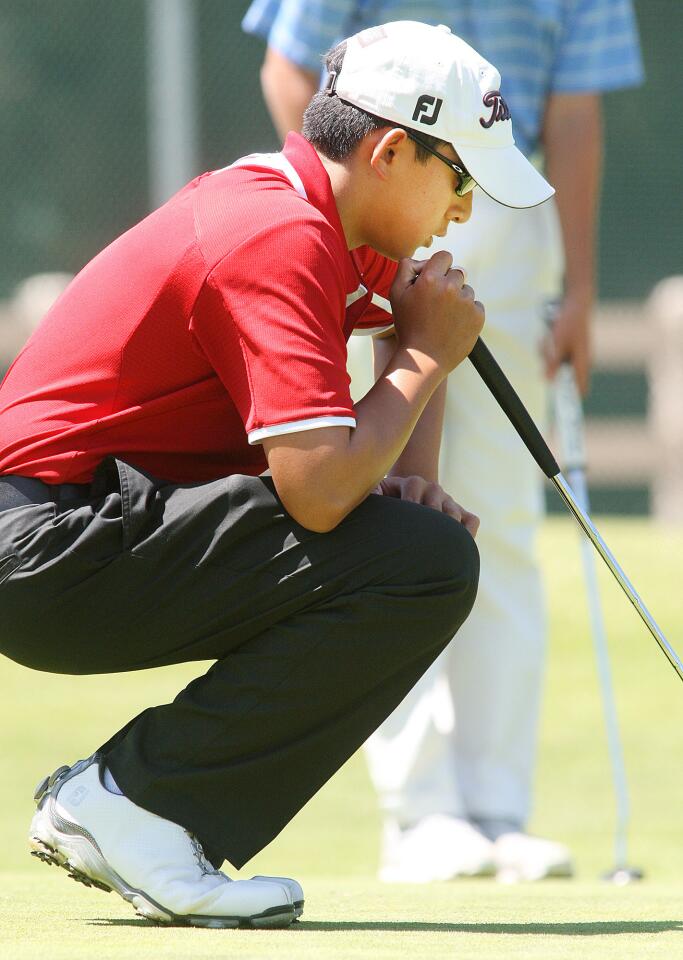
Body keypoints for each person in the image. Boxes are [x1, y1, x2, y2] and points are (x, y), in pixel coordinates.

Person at [0, 22, 553, 927]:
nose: (463, 211)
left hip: (83, 524)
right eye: (459, 178)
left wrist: (412, 464)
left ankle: (139, 803)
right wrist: (423, 360)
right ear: (388, 151)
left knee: (421, 549)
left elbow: (401, 328)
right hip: (42, 546)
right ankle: (135, 805)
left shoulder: (328, 220)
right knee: (418, 562)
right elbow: (322, 487)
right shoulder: (276, 235)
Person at [243, 0, 643, 882]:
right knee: (384, 502)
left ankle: (499, 809)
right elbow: (290, 65)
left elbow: (574, 114)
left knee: (497, 521)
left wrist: (578, 286)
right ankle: (421, 815)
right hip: (383, 196)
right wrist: (347, 223)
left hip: (509, 202)